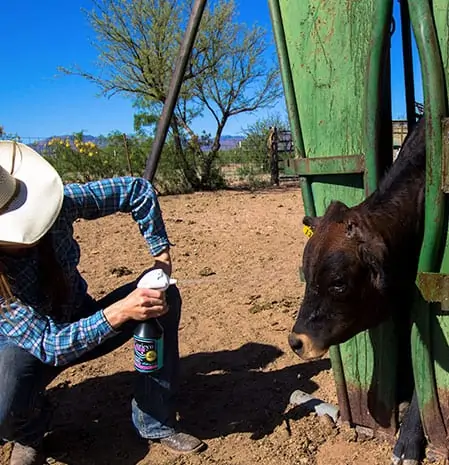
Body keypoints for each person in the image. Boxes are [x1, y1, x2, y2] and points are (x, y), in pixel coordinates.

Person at [0, 140, 206, 465]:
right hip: (23, 349)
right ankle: (28, 430)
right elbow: (50, 345)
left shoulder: (57, 204)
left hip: (77, 313)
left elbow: (136, 190)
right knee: (4, 400)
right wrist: (121, 310)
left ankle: (154, 418)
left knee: (162, 298)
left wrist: (161, 255)